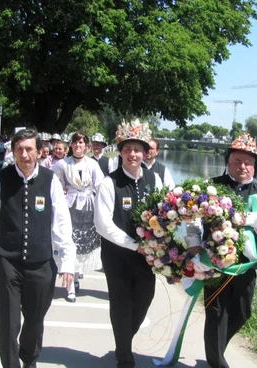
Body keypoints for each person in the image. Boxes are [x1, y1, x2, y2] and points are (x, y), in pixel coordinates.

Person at [0, 129, 76, 368]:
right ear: (13, 152)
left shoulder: (50, 180)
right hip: (7, 261)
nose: (24, 154)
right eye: (19, 149)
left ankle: (29, 361)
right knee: (8, 322)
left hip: (41, 264)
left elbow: (62, 223)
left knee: (35, 319)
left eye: (29, 149)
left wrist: (67, 263)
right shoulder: (2, 178)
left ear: (39, 151)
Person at [194, 133, 257, 368]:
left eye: (248, 162)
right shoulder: (211, 187)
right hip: (215, 264)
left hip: (246, 266)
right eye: (237, 161)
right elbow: (192, 220)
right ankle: (217, 362)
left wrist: (246, 218)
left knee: (242, 313)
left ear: (255, 165)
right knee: (215, 314)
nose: (243, 166)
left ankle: (217, 350)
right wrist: (193, 245)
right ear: (227, 161)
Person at [94, 119, 163, 368]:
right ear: (120, 152)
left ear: (145, 152)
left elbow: (167, 213)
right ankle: (124, 355)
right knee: (121, 304)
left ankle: (123, 340)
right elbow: (102, 224)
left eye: (137, 149)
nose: (132, 154)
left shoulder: (156, 180)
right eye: (127, 149)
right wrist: (134, 244)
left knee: (144, 299)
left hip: (147, 258)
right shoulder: (109, 183)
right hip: (117, 258)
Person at [51, 132, 104, 302]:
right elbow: (56, 187)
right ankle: (70, 285)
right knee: (69, 242)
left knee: (82, 245)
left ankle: (76, 273)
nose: (78, 145)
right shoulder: (62, 164)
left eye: (81, 142)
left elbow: (100, 185)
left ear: (87, 146)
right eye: (75, 142)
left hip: (88, 208)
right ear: (71, 145)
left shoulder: (93, 165)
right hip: (69, 207)